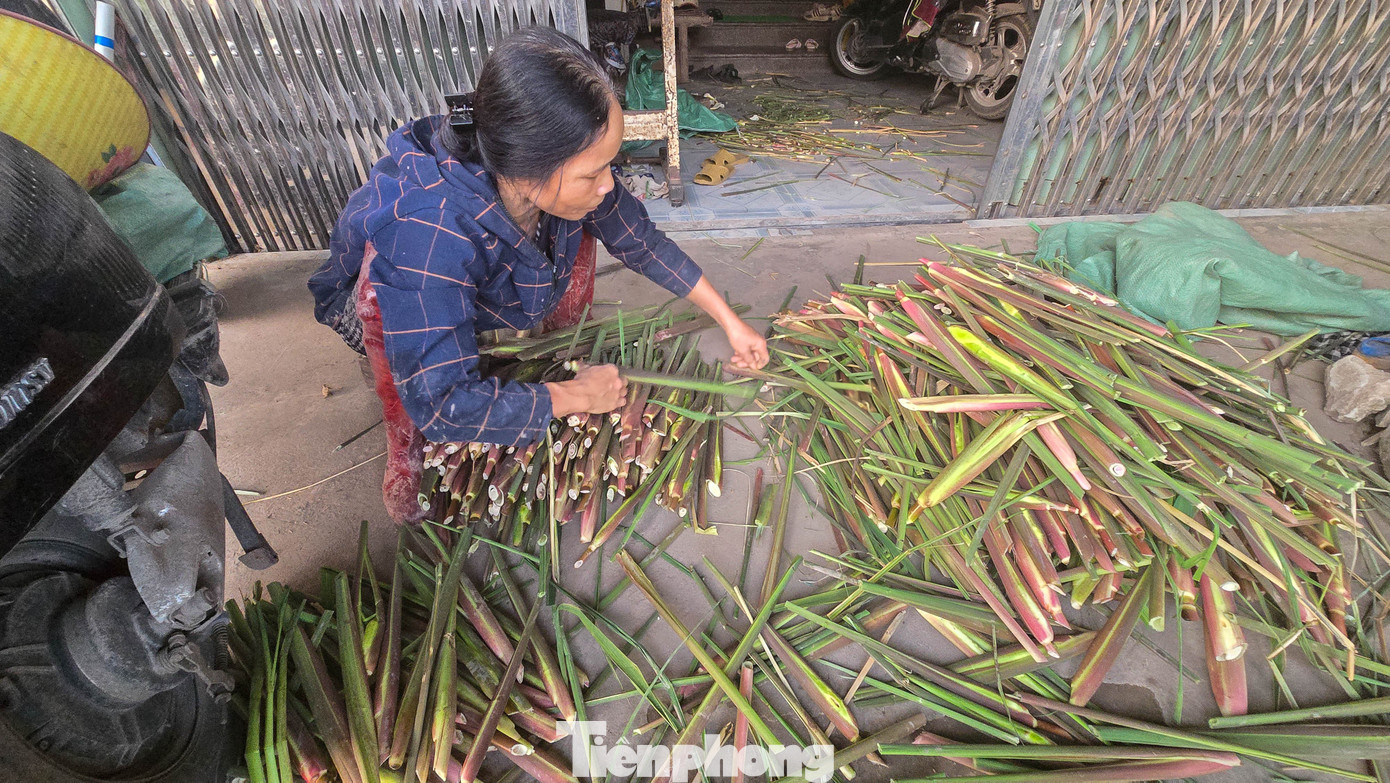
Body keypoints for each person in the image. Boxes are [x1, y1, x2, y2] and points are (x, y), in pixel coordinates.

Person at [308, 26, 769, 521]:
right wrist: (574, 396)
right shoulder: (429, 231)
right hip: (391, 302)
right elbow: (443, 404)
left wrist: (729, 321)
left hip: (471, 261)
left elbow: (640, 240)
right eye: (592, 173)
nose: (607, 184)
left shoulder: (549, 167)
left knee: (583, 220)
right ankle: (404, 449)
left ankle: (553, 352)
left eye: (610, 165)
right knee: (407, 363)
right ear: (527, 167)